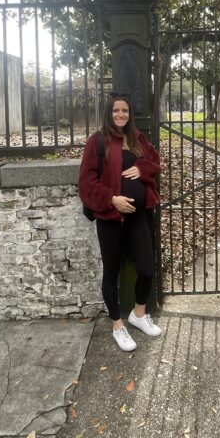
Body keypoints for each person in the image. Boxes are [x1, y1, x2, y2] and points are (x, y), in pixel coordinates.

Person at [78, 94, 162, 351]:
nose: (121, 115)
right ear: (109, 112)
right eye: (116, 111)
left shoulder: (139, 139)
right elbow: (86, 181)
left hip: (138, 216)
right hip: (110, 217)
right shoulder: (98, 141)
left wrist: (142, 168)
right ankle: (118, 325)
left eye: (125, 110)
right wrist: (112, 199)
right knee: (111, 272)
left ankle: (138, 314)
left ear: (130, 113)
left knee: (147, 269)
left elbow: (156, 163)